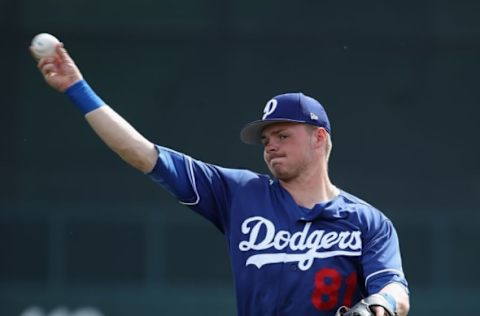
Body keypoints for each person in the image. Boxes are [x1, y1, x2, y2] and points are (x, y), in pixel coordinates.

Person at [32, 42, 410, 316]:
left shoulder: (366, 221)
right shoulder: (239, 193)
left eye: (282, 136)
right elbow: (142, 153)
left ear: (319, 138)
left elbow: (395, 289)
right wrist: (76, 90)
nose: (270, 147)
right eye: (265, 140)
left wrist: (380, 304)